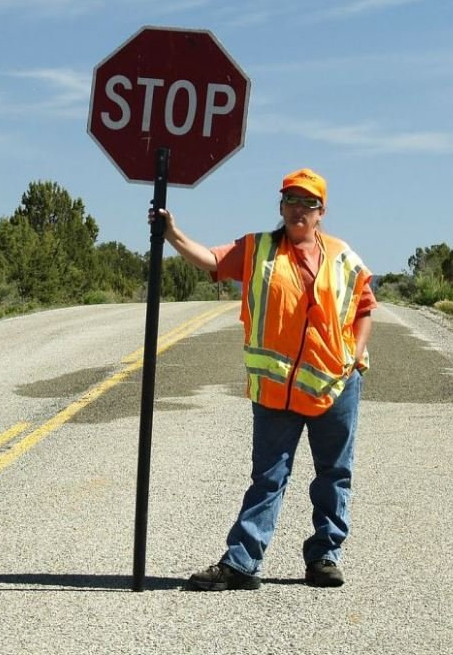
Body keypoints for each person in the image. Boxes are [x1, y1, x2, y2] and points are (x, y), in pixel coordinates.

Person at [150, 168, 376, 590]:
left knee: (334, 473)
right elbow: (213, 260)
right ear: (281, 206)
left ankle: (325, 557)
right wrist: (172, 235)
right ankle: (241, 563)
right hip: (276, 390)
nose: (298, 209)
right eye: (291, 200)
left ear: (321, 211)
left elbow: (365, 308)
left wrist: (355, 356)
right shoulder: (257, 250)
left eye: (308, 202)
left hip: (336, 385)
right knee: (268, 477)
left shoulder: (344, 256)